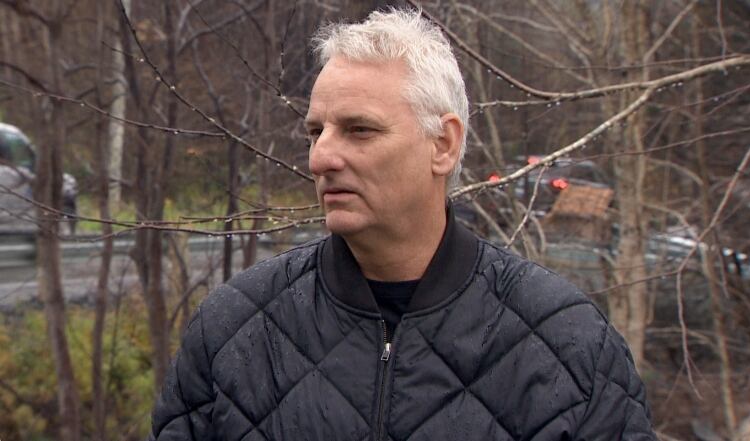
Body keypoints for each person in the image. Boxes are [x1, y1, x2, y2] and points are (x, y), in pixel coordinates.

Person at [150, 8, 656, 441]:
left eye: (359, 130)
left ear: (443, 144)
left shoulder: (569, 344)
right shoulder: (232, 330)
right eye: (315, 131)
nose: (320, 157)